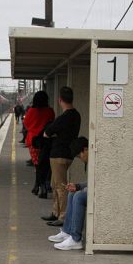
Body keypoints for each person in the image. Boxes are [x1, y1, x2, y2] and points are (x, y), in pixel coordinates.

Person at [41, 86, 81, 226]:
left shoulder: (63, 117)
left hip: (57, 155)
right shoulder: (76, 115)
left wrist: (56, 133)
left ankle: (62, 216)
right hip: (68, 154)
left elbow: (47, 133)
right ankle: (55, 212)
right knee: (55, 184)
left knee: (60, 186)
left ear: (60, 100)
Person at [48, 137, 88, 250]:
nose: (80, 158)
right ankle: (67, 231)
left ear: (85, 149)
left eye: (79, 155)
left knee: (79, 196)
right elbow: (91, 182)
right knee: (72, 194)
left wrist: (82, 189)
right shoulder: (90, 160)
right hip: (93, 191)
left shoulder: (97, 160)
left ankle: (76, 239)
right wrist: (78, 186)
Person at [23, 91, 55, 197]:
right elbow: (52, 122)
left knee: (37, 165)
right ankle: (39, 186)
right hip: (46, 141)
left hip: (33, 141)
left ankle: (41, 187)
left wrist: (34, 128)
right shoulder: (50, 111)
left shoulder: (31, 111)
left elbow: (26, 123)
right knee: (44, 164)